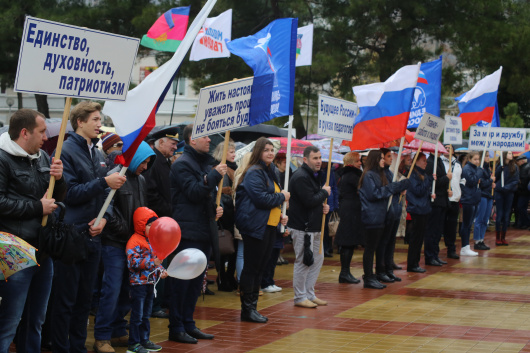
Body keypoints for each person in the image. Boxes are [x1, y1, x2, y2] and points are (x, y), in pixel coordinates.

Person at [52, 101, 126, 353]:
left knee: (85, 300)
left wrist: (105, 218)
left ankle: (78, 346)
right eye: (95, 119)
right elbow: (69, 193)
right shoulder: (66, 150)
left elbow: (107, 197)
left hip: (94, 236)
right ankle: (63, 347)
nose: (99, 124)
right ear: (80, 122)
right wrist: (104, 181)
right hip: (72, 235)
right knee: (66, 300)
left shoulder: (97, 152)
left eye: (100, 119)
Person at [0, 109, 66, 353]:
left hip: (42, 250)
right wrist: (37, 207)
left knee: (35, 321)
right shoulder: (2, 158)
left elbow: (57, 197)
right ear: (24, 133)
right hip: (13, 251)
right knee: (9, 321)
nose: (45, 138)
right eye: (41, 132)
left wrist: (59, 179)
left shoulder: (42, 158)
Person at [93, 142, 156, 353]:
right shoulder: (115, 175)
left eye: (148, 163)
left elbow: (141, 210)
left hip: (133, 244)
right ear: (135, 158)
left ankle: (119, 330)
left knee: (127, 289)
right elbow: (106, 211)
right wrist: (128, 233)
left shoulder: (140, 179)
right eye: (144, 162)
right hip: (115, 243)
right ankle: (102, 336)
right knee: (111, 290)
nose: (145, 167)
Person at [167, 124, 225, 344]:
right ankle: (177, 327)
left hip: (202, 229)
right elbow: (193, 192)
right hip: (187, 231)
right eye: (205, 137)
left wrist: (216, 208)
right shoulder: (182, 164)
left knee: (197, 282)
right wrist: (213, 177)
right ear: (192, 140)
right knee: (182, 282)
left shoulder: (202, 163)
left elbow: (205, 197)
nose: (209, 140)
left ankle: (189, 323)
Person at [235, 137, 289, 322]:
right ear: (258, 152)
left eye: (272, 150)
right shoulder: (254, 172)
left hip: (270, 226)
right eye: (266, 150)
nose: (270, 153)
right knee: (252, 268)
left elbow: (270, 199)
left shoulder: (270, 171)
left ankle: (253, 308)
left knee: (260, 268)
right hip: (255, 226)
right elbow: (262, 199)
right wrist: (281, 197)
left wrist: (281, 214)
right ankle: (247, 309)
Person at [359, 150, 409, 289]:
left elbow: (386, 190)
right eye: (381, 158)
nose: (383, 160)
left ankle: (376, 273)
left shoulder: (380, 174)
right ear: (375, 160)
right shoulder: (368, 175)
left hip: (381, 216)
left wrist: (400, 186)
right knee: (370, 248)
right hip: (372, 217)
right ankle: (368, 277)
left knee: (379, 245)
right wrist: (393, 187)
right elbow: (375, 194)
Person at [288, 146, 330, 307]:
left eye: (320, 157)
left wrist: (323, 207)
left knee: (317, 259)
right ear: (305, 159)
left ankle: (309, 293)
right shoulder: (300, 177)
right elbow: (309, 200)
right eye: (315, 158)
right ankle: (300, 297)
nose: (319, 161)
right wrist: (324, 193)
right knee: (304, 261)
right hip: (302, 227)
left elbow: (314, 201)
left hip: (315, 225)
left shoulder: (315, 176)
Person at [143, 130, 178, 318]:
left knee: (162, 262)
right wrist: (169, 210)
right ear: (161, 142)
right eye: (172, 143)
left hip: (165, 221)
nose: (175, 147)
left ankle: (160, 301)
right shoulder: (154, 161)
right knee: (157, 262)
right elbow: (152, 193)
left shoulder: (164, 161)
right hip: (157, 222)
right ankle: (155, 305)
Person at [126, 207, 167, 353]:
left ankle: (144, 340)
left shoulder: (152, 240)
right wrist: (152, 264)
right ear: (141, 225)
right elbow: (132, 263)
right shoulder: (134, 241)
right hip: (138, 285)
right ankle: (133, 344)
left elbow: (157, 260)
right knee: (137, 315)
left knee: (146, 315)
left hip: (150, 284)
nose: (153, 228)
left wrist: (161, 270)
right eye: (149, 225)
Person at [376, 148, 409, 283]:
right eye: (387, 156)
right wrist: (398, 186)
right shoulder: (379, 174)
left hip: (394, 211)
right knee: (383, 243)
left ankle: (389, 269)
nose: (390, 159)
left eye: (390, 156)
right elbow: (387, 189)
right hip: (385, 213)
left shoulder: (390, 172)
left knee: (391, 242)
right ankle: (381, 270)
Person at [212, 140, 239, 292]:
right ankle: (222, 276)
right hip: (225, 214)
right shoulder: (220, 169)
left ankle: (229, 276)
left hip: (233, 213)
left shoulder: (234, 168)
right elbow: (220, 194)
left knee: (233, 247)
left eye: (234, 152)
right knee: (224, 247)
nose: (234, 154)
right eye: (230, 152)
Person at [334, 152, 363, 284]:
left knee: (349, 242)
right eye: (358, 161)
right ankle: (344, 273)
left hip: (349, 209)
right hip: (350, 211)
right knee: (348, 242)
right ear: (351, 163)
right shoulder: (352, 175)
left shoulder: (346, 174)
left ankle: (345, 272)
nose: (360, 163)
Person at [406, 153, 435, 273]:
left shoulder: (422, 174)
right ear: (416, 161)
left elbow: (423, 192)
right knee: (416, 238)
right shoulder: (413, 174)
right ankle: (412, 264)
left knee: (419, 238)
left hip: (423, 208)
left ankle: (415, 262)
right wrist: (428, 181)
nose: (425, 163)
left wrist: (430, 194)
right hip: (417, 209)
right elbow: (417, 191)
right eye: (423, 160)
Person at [424, 149, 452, 266]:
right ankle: (430, 256)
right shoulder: (431, 162)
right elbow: (432, 182)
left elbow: (441, 182)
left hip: (442, 200)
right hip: (435, 202)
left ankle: (435, 255)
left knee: (438, 231)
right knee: (432, 230)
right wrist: (447, 178)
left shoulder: (439, 161)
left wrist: (447, 189)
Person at [460, 151, 482, 256]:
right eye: (475, 159)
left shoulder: (474, 168)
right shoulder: (467, 168)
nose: (477, 162)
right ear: (469, 159)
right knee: (466, 224)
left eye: (478, 159)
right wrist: (479, 173)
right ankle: (464, 246)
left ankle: (466, 246)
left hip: (474, 198)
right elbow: (472, 180)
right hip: (468, 199)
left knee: (469, 224)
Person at [442, 146, 462, 259]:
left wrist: (460, 190)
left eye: (450, 147)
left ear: (453, 151)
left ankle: (451, 249)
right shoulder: (440, 162)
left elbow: (461, 179)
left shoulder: (457, 164)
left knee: (452, 225)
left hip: (455, 199)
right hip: (445, 198)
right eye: (445, 147)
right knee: (443, 225)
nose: (448, 149)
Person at [495, 151, 519, 246]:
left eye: (511, 153)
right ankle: (497, 237)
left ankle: (503, 237)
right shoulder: (499, 166)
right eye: (509, 153)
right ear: (504, 155)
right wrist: (498, 170)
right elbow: (495, 178)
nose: (511, 155)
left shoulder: (514, 167)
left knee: (506, 215)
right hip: (499, 192)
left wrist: (506, 187)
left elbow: (515, 180)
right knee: (499, 214)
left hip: (509, 193)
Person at [473, 153, 495, 251]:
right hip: (482, 195)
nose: (488, 157)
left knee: (485, 219)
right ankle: (477, 240)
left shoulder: (488, 168)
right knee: (480, 218)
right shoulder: (480, 169)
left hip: (489, 195)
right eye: (486, 156)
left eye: (488, 156)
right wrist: (490, 181)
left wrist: (493, 185)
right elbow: (481, 183)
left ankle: (481, 239)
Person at [321, 161, 339, 258]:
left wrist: (336, 204)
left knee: (328, 227)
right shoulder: (318, 171)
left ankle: (328, 247)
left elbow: (334, 187)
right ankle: (323, 248)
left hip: (330, 202)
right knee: (323, 227)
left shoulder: (330, 171)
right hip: (322, 202)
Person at [515, 155, 530, 229]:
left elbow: (523, 181)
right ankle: (524, 223)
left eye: (518, 161)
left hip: (523, 192)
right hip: (524, 191)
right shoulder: (526, 167)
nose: (517, 163)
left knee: (521, 207)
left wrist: (519, 185)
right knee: (522, 207)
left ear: (522, 161)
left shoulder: (524, 168)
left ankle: (526, 222)